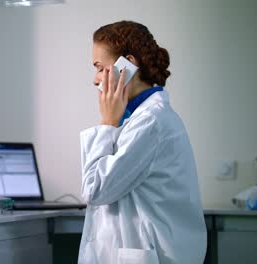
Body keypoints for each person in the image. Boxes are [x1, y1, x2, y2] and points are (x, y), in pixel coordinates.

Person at [79, 21, 207, 264]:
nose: (96, 79)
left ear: (127, 64)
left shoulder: (151, 122)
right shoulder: (136, 119)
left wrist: (106, 124)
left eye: (99, 67)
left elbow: (95, 190)